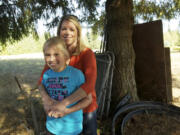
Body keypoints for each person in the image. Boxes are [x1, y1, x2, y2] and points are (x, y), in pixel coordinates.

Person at [38, 15, 98, 135]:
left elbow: (89, 86)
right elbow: (41, 81)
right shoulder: (54, 55)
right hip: (59, 112)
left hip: (84, 109)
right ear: (59, 32)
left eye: (71, 29)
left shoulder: (86, 53)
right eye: (63, 29)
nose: (67, 32)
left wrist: (64, 105)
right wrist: (47, 100)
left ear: (78, 33)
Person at [41, 37, 85, 135]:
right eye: (47, 55)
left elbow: (88, 99)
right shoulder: (46, 75)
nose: (51, 59)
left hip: (72, 129)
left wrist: (67, 111)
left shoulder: (77, 74)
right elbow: (42, 89)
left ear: (66, 56)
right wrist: (45, 102)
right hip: (51, 127)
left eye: (56, 54)